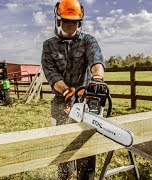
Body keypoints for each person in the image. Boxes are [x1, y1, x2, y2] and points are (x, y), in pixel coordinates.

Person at [41, 0, 105, 179]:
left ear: (80, 21)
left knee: (86, 148)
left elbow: (96, 58)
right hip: (61, 101)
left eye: (74, 21)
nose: (70, 25)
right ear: (58, 20)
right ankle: (65, 175)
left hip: (85, 101)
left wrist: (97, 78)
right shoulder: (49, 45)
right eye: (66, 21)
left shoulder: (88, 40)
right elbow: (51, 73)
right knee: (63, 148)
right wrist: (66, 91)